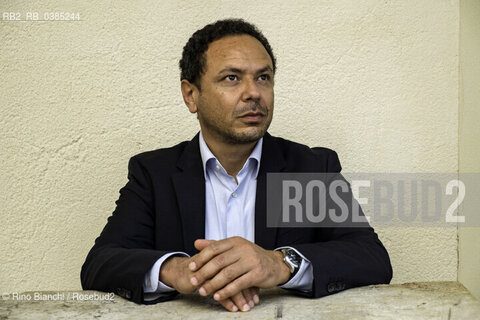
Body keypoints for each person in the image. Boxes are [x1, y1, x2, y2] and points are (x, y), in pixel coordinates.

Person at [81, 19, 392, 312]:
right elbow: (100, 263)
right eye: (232, 78)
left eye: (263, 77)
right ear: (191, 95)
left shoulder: (310, 168)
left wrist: (279, 264)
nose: (253, 93)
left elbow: (371, 257)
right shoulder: (154, 173)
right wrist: (176, 269)